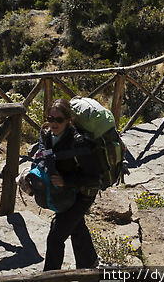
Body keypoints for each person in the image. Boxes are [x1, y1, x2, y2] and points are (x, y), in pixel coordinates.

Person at [40, 98, 100, 271]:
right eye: (50, 118)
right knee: (76, 226)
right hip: (67, 192)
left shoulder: (78, 142)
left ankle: (50, 276)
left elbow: (94, 178)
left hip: (84, 193)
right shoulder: (48, 135)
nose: (54, 123)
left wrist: (66, 181)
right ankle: (89, 266)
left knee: (55, 237)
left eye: (59, 119)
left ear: (68, 120)